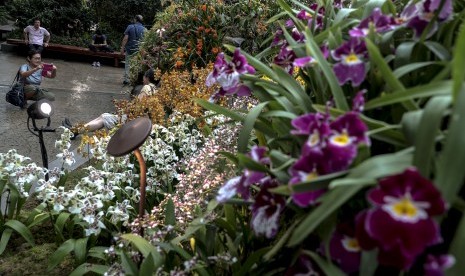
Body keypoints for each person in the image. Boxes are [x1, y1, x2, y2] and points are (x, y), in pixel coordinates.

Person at [63, 68, 158, 139]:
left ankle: (74, 131)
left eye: (144, 76)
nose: (143, 78)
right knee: (104, 116)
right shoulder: (156, 89)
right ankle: (76, 129)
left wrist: (124, 111)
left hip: (135, 122)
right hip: (143, 121)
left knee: (104, 118)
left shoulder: (146, 88)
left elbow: (137, 107)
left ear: (147, 77)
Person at [120, 15, 146, 85]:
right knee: (136, 65)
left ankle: (127, 80)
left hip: (130, 49)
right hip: (139, 51)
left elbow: (125, 38)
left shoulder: (130, 27)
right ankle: (134, 80)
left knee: (128, 64)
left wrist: (122, 48)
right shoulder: (144, 29)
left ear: (135, 20)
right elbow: (144, 42)